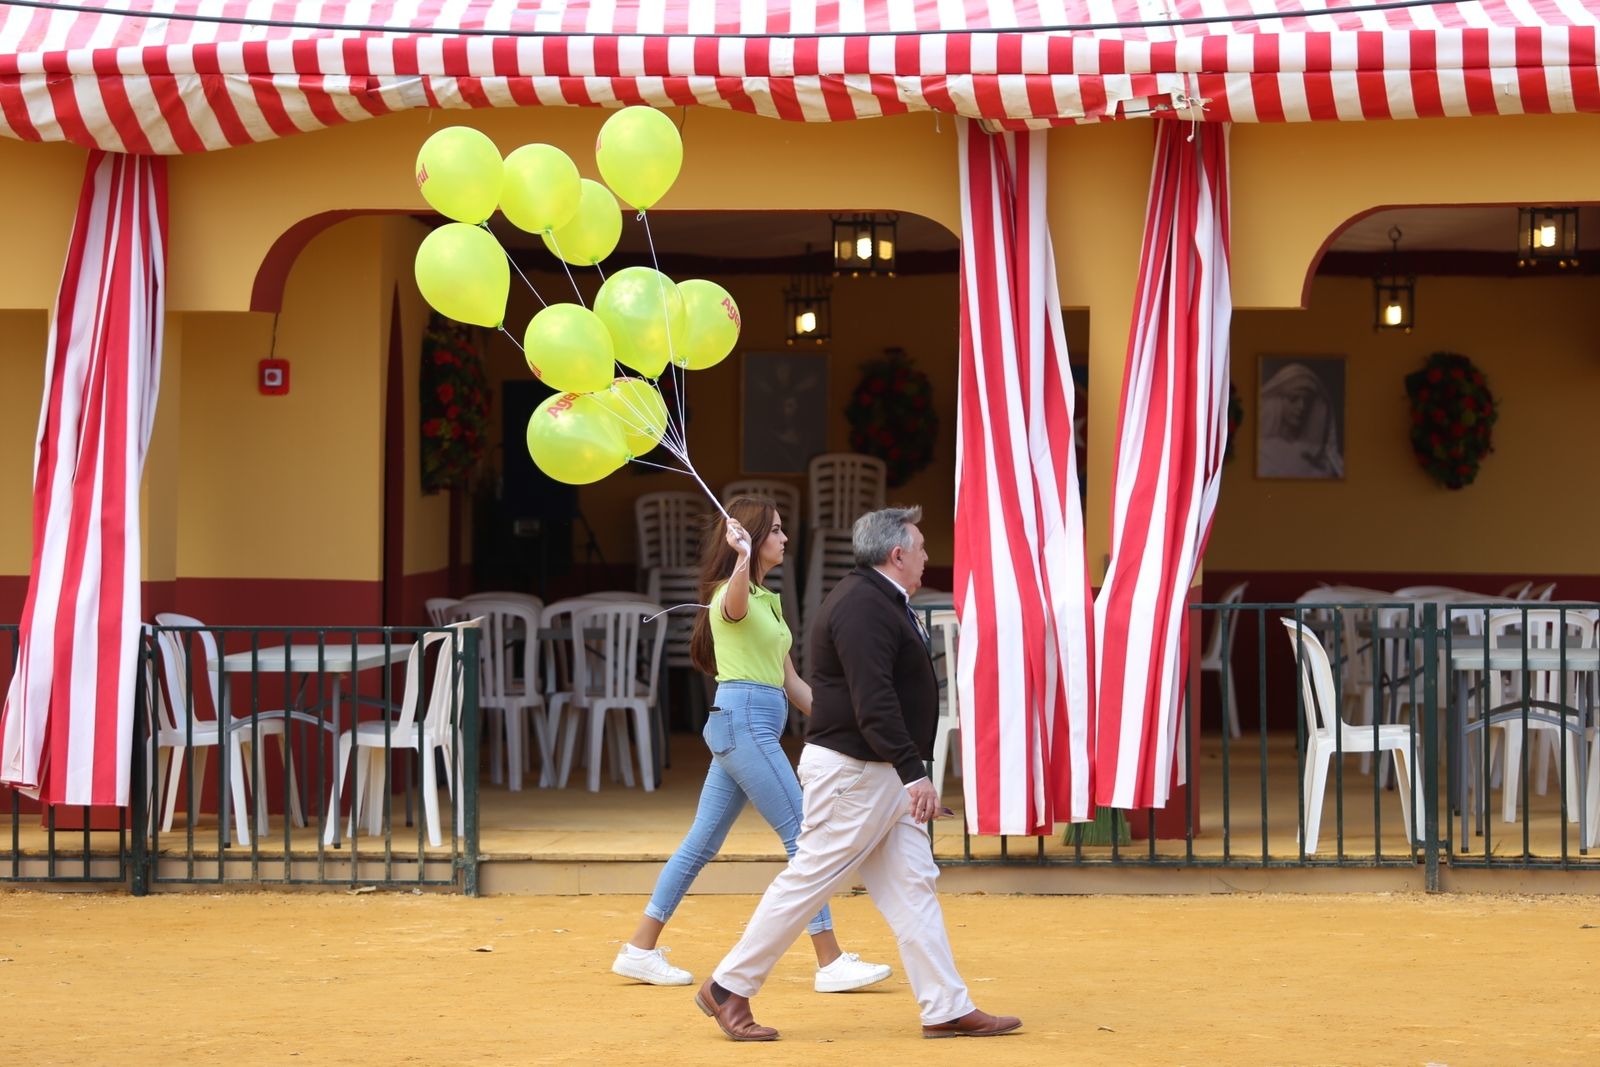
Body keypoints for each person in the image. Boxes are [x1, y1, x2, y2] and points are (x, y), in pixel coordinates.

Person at [694, 506, 1022, 1042]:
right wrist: (914, 774)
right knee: (809, 879)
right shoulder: (865, 605)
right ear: (896, 554)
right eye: (920, 548)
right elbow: (875, 703)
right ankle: (728, 985)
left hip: (876, 772)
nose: (926, 557)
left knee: (913, 886)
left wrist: (907, 774)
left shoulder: (876, 600)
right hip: (858, 772)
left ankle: (945, 1004)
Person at [612, 495, 892, 995]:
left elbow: (793, 684)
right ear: (754, 539)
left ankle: (639, 949)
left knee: (702, 843)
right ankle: (829, 961)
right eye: (778, 531)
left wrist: (853, 721)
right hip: (745, 725)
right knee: (805, 836)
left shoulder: (769, 603)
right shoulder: (730, 595)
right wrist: (740, 558)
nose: (786, 539)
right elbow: (733, 604)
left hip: (746, 725)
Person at [1257, 361, 1344, 478]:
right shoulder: (1263, 452)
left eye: (1306, 400)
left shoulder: (1322, 460)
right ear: (1278, 401)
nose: (1301, 406)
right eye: (1294, 399)